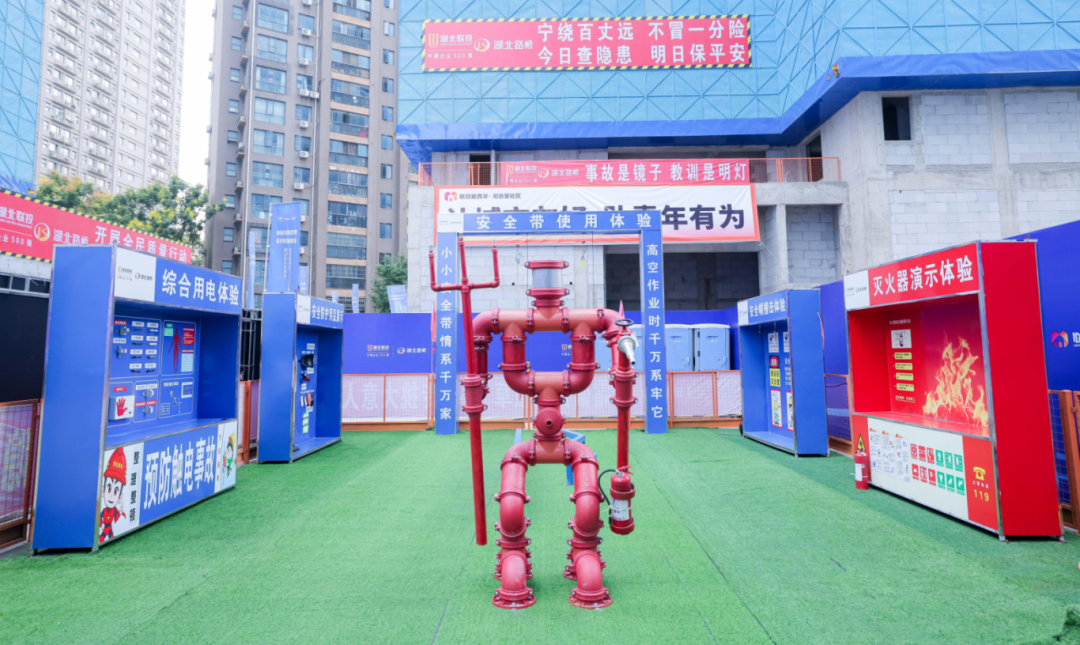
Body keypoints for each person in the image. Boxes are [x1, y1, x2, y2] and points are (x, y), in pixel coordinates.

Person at [100, 448, 127, 543]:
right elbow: (100, 517)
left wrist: (121, 512)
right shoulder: (103, 511)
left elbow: (116, 519)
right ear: (103, 491)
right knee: (107, 535)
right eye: (109, 488)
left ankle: (104, 537)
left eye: (116, 491)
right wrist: (101, 524)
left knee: (109, 535)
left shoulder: (115, 510)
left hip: (109, 527)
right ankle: (103, 537)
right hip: (106, 526)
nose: (111, 495)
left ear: (120, 497)